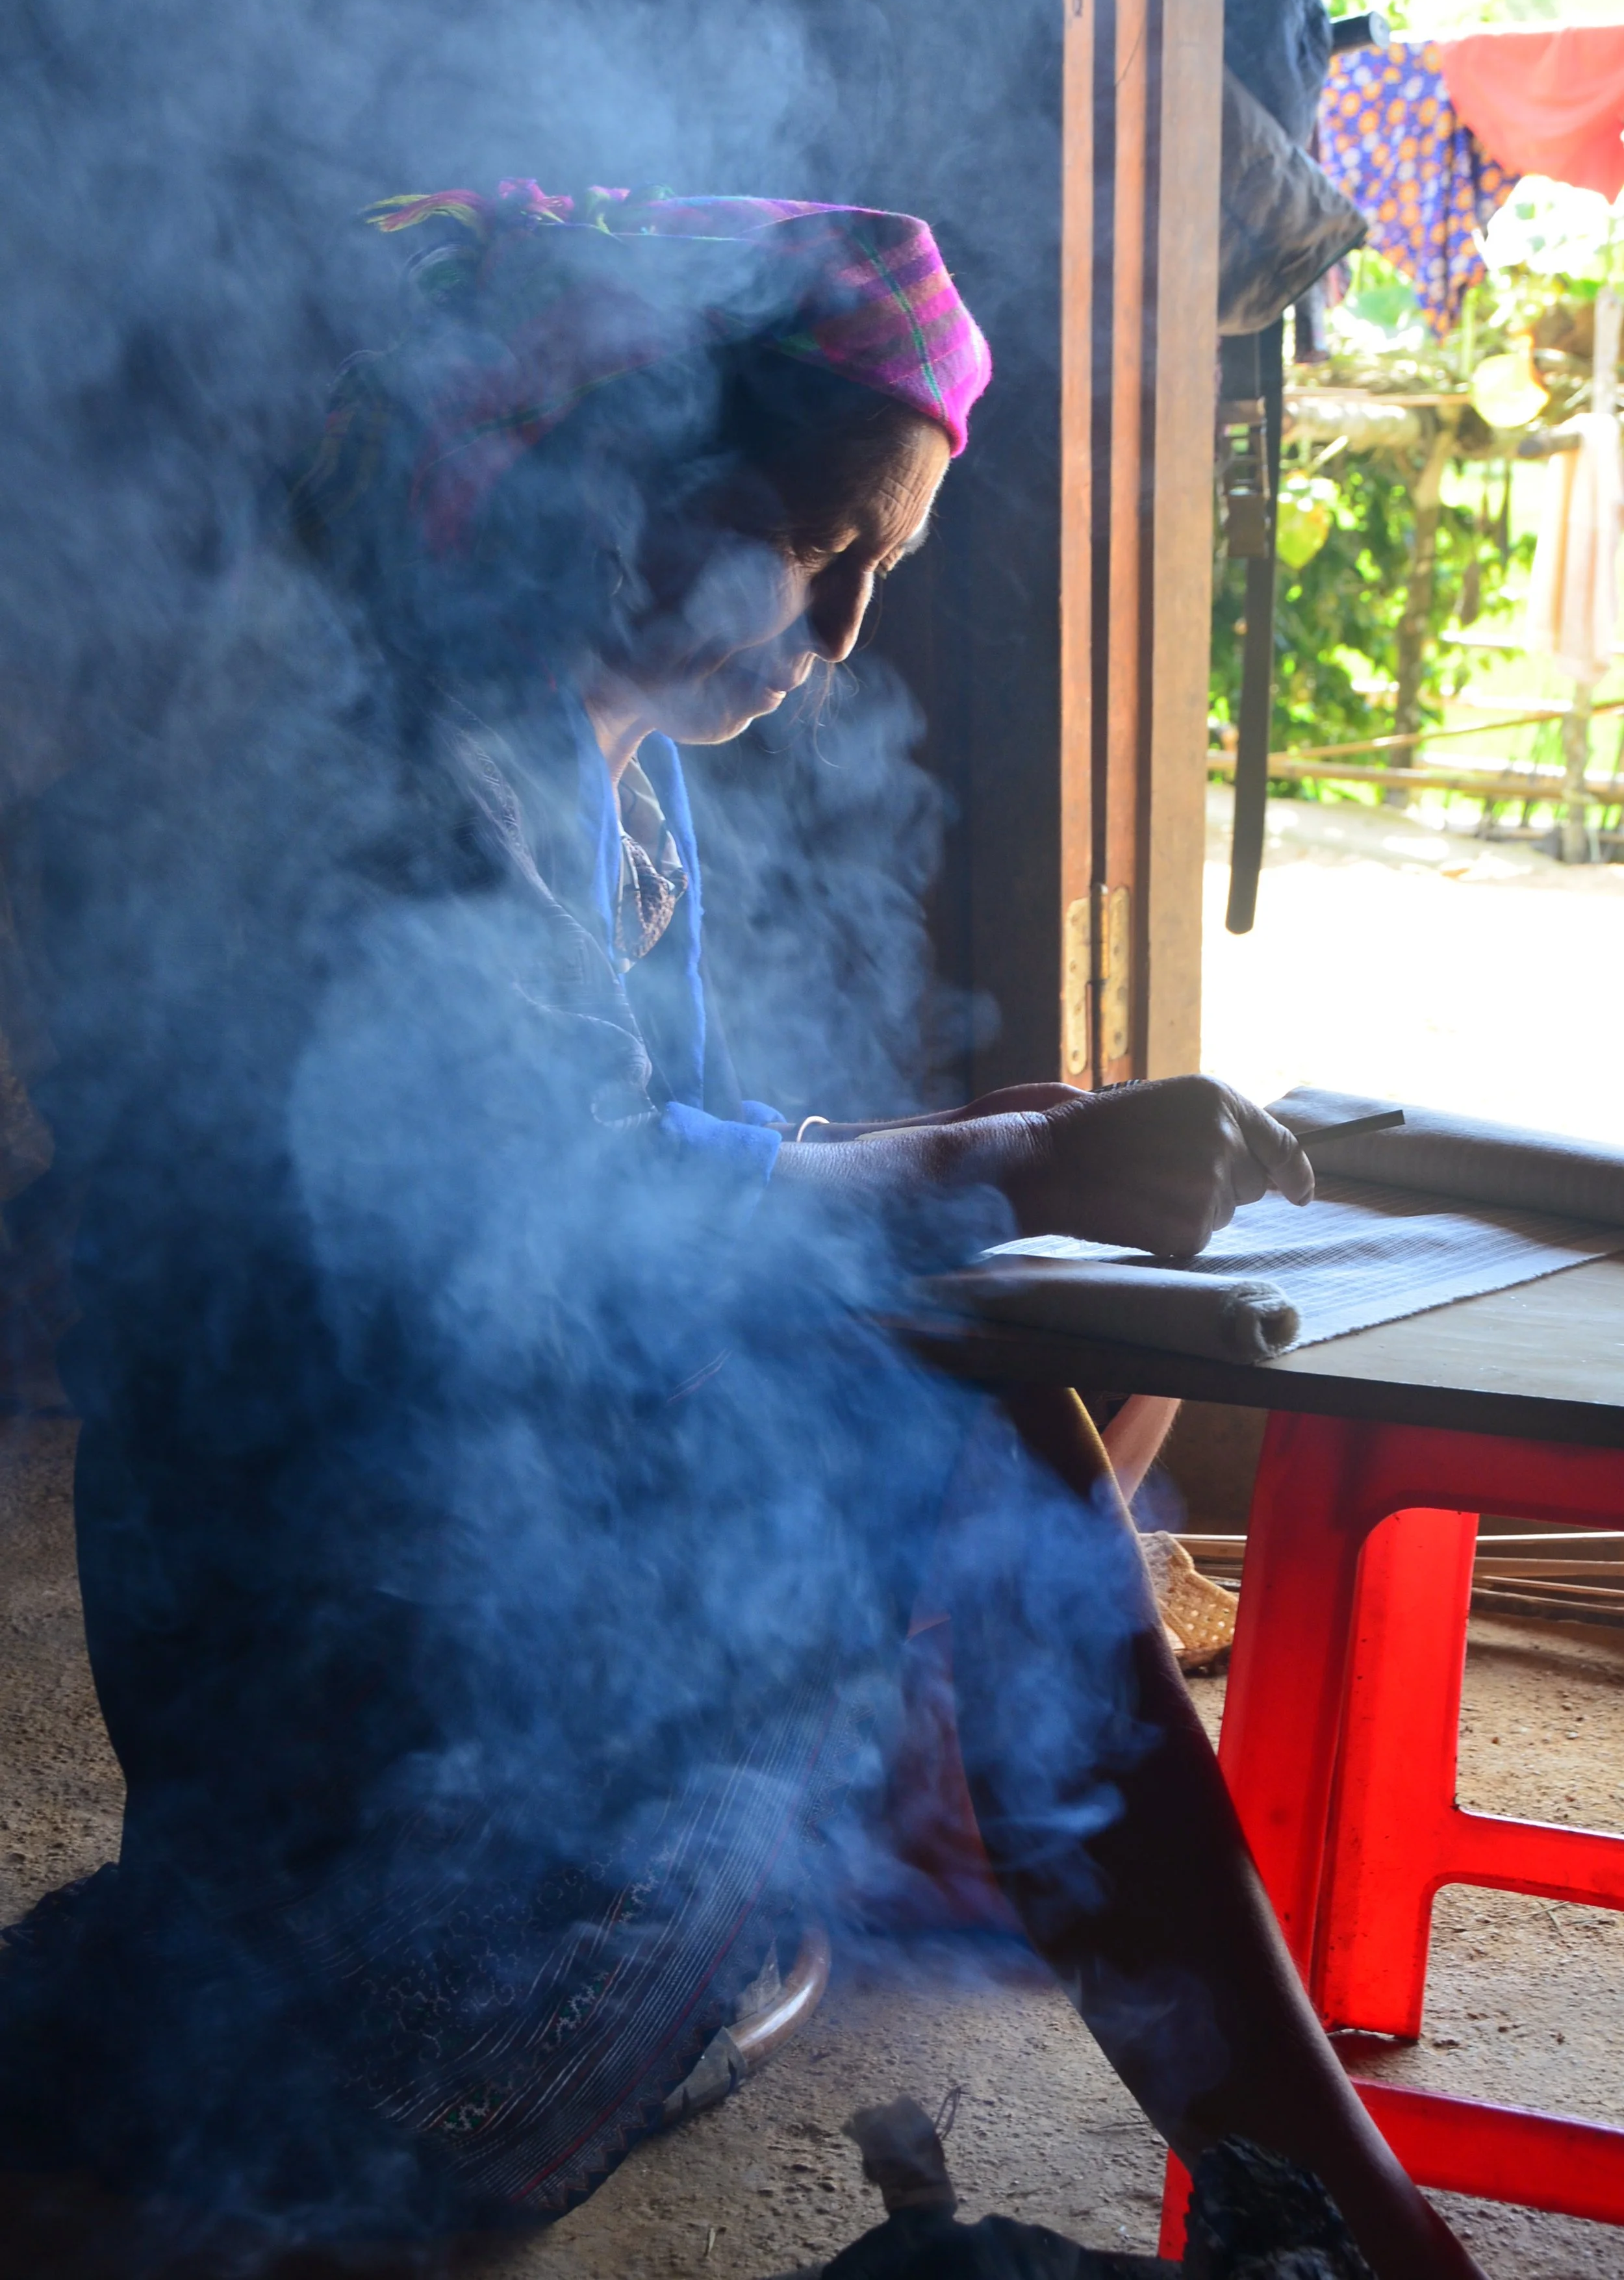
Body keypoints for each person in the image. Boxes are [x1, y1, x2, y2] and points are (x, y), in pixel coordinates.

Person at [0, 184, 1482, 2280]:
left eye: (885, 568)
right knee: (968, 1429)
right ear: (615, 475)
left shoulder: (597, 754)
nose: (844, 632)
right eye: (816, 547)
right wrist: (994, 1165)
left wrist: (993, 1155)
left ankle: (1238, 2134)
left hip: (445, 1590)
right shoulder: (402, 777)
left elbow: (647, 1167)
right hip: (351, 1691)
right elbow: (572, 1211)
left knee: (979, 1339)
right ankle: (1333, 2201)